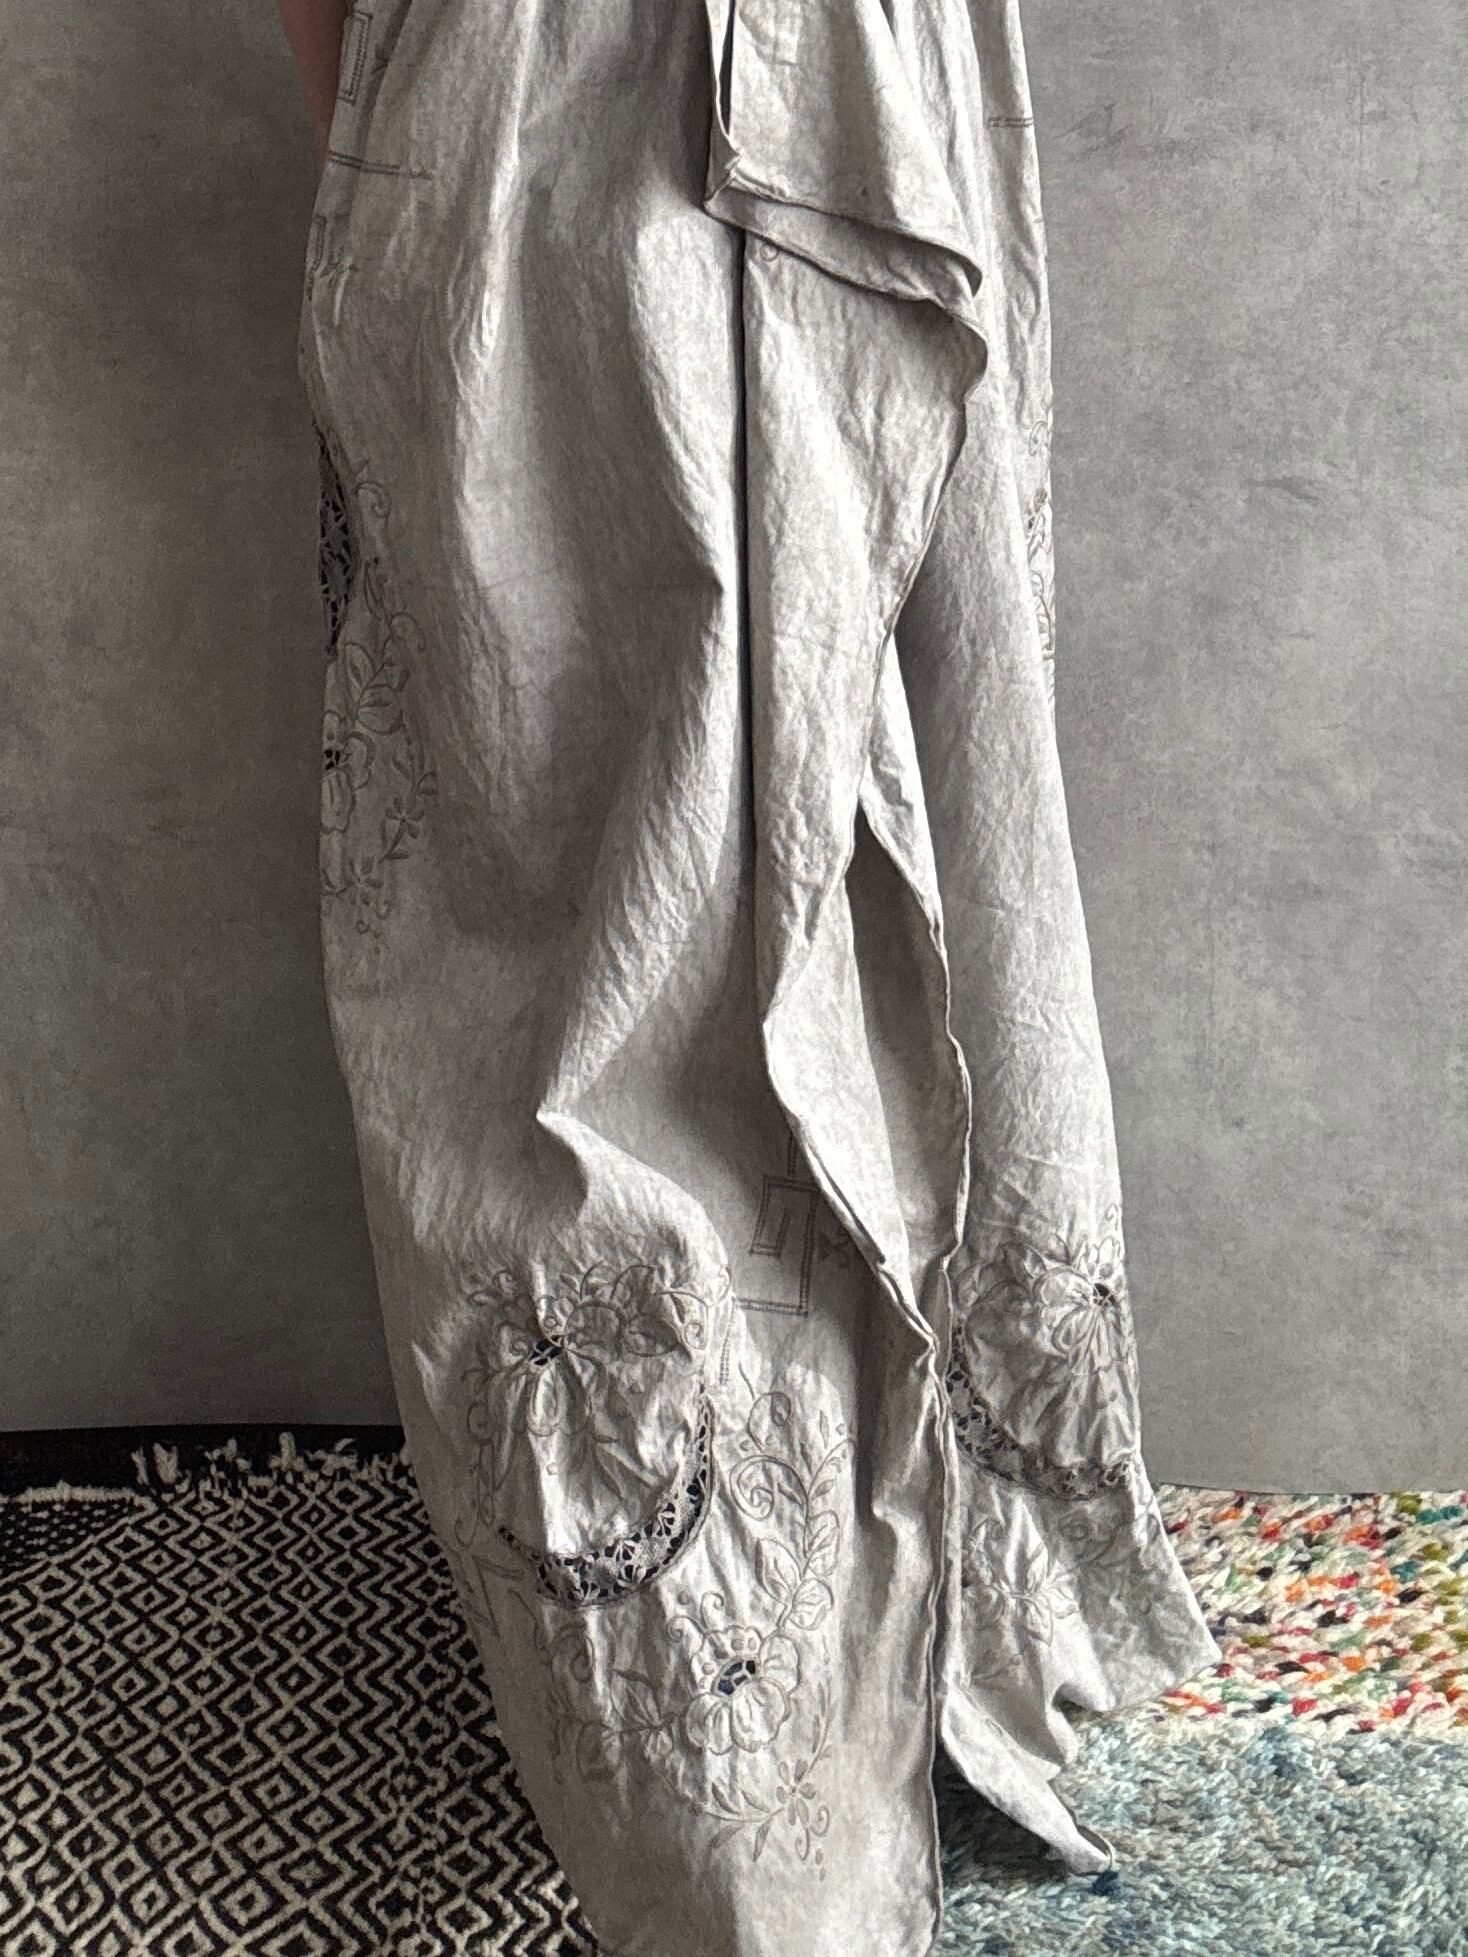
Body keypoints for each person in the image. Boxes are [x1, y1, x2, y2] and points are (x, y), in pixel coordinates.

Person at [272, 3, 1222, 1952]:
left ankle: (878, 1673)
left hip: (846, 98)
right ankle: (720, 1810)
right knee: (611, 997)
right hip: (560, 130)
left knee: (909, 894)